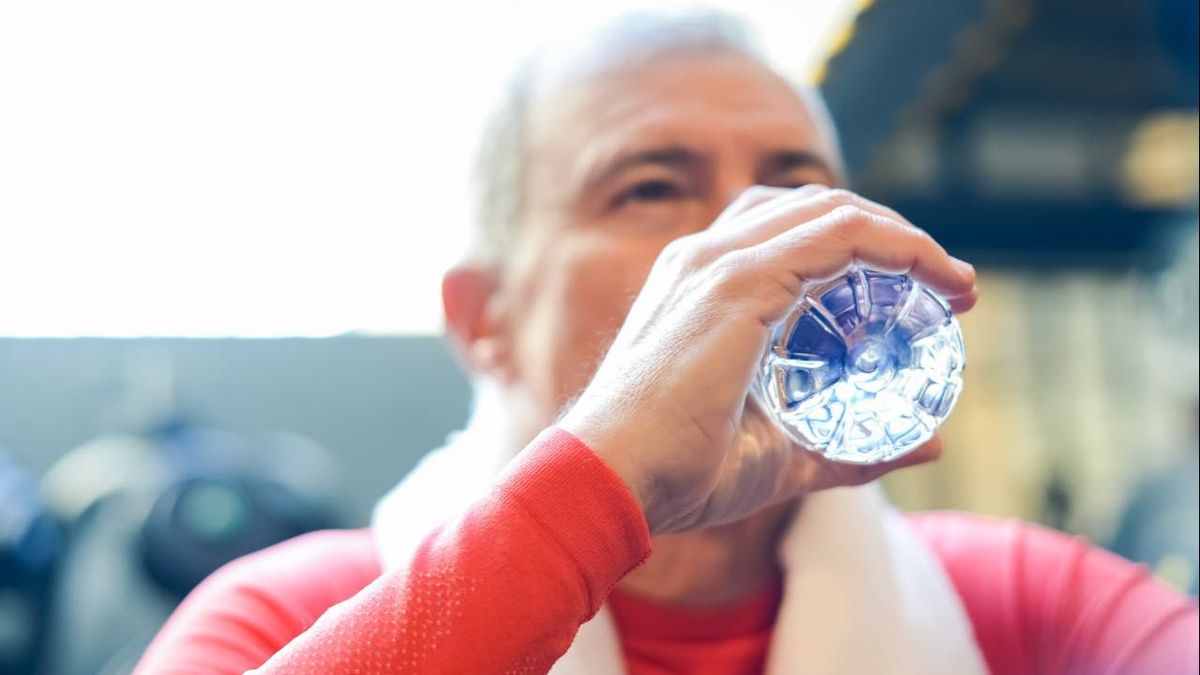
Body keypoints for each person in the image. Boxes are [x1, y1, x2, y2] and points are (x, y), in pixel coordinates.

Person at [134, 12, 1198, 675]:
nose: (752, 237)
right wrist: (604, 488)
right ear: (486, 320)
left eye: (797, 187)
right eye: (650, 187)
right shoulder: (290, 614)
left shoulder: (1019, 607)